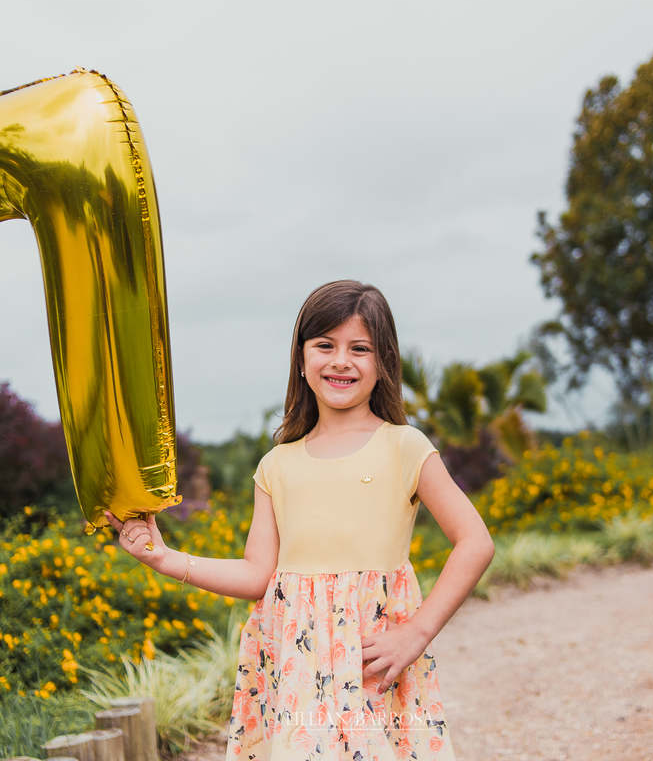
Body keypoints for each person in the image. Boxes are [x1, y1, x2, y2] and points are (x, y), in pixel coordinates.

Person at [106, 280, 495, 760]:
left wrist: (415, 633)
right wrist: (165, 559)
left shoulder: (404, 446)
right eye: (324, 345)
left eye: (360, 348)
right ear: (301, 357)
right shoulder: (277, 465)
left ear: (384, 361)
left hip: (372, 658)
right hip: (295, 665)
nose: (340, 361)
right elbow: (256, 575)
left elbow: (475, 542)